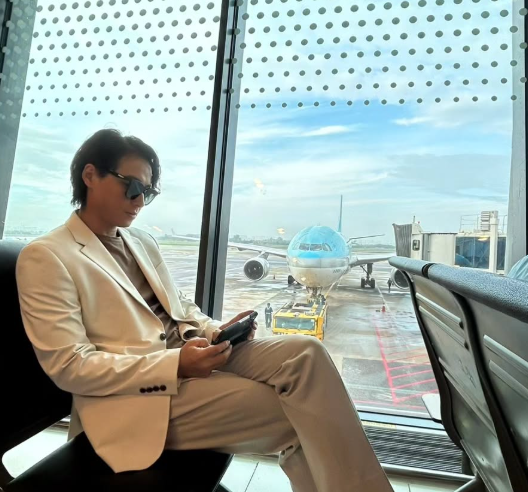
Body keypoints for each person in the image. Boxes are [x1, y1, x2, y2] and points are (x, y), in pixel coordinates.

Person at [15, 129, 393, 492]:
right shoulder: (48, 256)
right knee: (302, 411)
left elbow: (180, 306)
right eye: (131, 186)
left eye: (148, 192)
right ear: (90, 176)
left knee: (307, 353)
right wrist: (176, 365)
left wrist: (215, 331)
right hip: (135, 399)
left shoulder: (141, 241)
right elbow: (70, 367)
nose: (140, 201)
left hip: (189, 358)